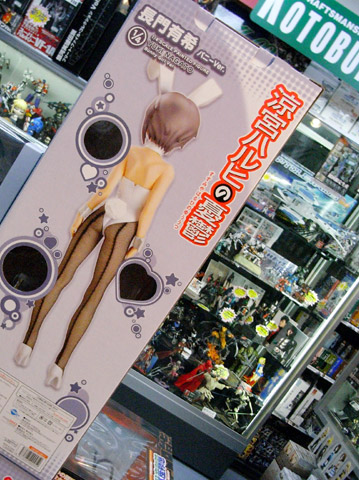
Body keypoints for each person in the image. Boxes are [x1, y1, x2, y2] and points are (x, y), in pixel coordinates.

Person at [14, 60, 222, 388]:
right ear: (180, 137)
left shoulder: (132, 152)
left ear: (151, 119)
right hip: (124, 228)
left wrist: (83, 210)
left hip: (101, 215)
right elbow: (148, 210)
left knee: (62, 276)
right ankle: (58, 367)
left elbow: (104, 191)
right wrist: (138, 241)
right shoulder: (165, 170)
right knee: (93, 295)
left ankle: (27, 344)